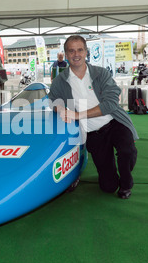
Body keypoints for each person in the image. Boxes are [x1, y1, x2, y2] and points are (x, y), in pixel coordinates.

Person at [48, 35, 138, 199]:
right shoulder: (60, 80)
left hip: (114, 122)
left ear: (86, 52)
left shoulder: (101, 73)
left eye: (80, 50)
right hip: (92, 134)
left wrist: (77, 115)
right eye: (71, 50)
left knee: (127, 151)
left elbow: (111, 103)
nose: (76, 54)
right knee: (108, 186)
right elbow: (52, 100)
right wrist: (59, 108)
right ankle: (113, 177)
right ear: (66, 54)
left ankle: (126, 183)